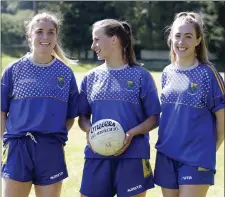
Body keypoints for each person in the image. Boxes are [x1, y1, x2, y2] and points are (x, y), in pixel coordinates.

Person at [78, 19, 161, 197]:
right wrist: (90, 131)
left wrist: (131, 134)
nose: (93, 46)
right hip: (97, 155)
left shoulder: (141, 76)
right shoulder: (90, 77)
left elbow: (154, 117)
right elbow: (83, 117)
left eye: (97, 39)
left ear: (114, 39)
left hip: (133, 156)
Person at [1, 12, 79, 197]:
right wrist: (6, 141)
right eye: (40, 31)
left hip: (51, 147)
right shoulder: (13, 70)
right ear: (30, 36)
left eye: (51, 32)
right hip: (17, 147)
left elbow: (70, 116)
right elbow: (2, 110)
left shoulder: (65, 73)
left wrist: (54, 140)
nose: (45, 37)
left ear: (56, 36)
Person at [154, 11, 225, 197]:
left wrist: (208, 150)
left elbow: (222, 120)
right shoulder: (167, 72)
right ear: (171, 38)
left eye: (188, 36)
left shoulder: (208, 73)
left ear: (198, 40)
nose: (181, 42)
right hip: (166, 155)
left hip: (196, 158)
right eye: (177, 36)